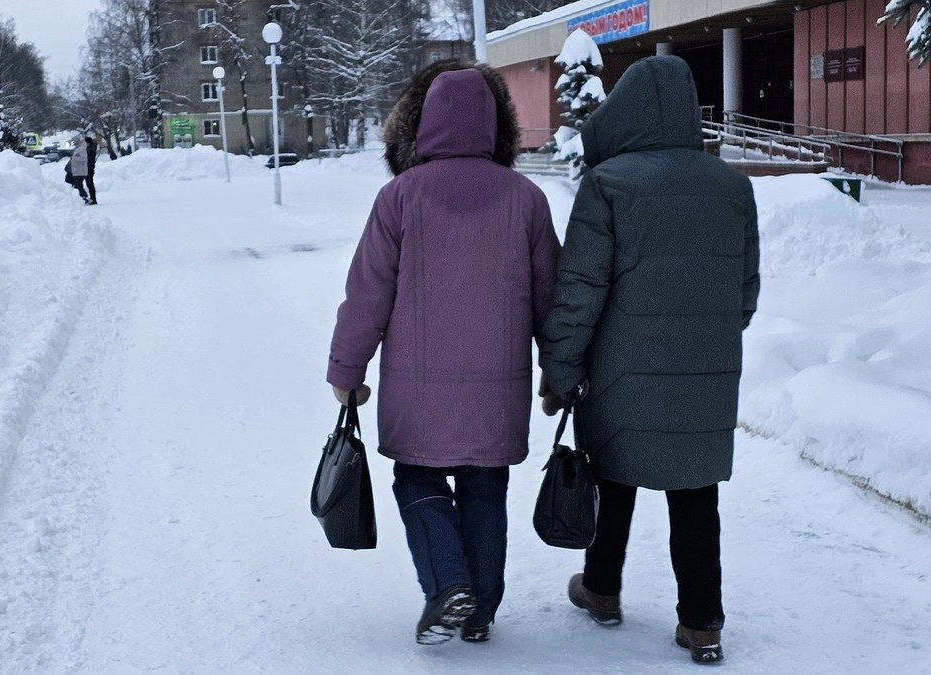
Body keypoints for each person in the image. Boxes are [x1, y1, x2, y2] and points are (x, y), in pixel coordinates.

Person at [326, 59, 560, 646]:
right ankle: (478, 608)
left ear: (423, 123)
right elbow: (551, 299)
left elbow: (367, 293)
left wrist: (346, 371)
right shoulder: (526, 198)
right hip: (499, 387)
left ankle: (448, 585)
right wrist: (559, 372)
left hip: (418, 385)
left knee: (418, 479)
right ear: (495, 124)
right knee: (486, 488)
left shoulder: (399, 196)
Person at [539, 55, 761, 664]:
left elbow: (579, 290)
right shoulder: (732, 185)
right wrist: (706, 342)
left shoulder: (609, 184)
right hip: (708, 376)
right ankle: (701, 624)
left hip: (620, 369)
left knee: (613, 478)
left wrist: (561, 369)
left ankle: (602, 589)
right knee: (696, 494)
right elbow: (745, 290)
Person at [69, 137, 90, 203]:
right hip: (77, 171)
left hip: (80, 171)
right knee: (78, 185)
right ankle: (82, 197)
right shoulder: (78, 149)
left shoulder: (82, 149)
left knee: (78, 185)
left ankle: (84, 197)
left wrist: (74, 158)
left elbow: (83, 159)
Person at [83, 135, 98, 205]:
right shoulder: (91, 148)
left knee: (90, 184)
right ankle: (93, 198)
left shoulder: (90, 150)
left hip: (89, 169)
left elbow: (88, 160)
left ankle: (93, 199)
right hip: (90, 168)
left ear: (87, 142)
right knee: (90, 184)